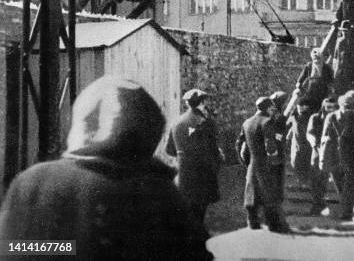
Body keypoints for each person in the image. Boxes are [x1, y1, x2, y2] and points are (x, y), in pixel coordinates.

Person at [0, 76, 212, 261]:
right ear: (149, 128)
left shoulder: (32, 182)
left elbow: (11, 249)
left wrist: (68, 248)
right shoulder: (161, 194)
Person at [166, 88, 222, 239]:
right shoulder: (206, 122)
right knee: (199, 211)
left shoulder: (176, 122)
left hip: (183, 175)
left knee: (186, 209)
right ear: (202, 102)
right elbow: (213, 152)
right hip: (201, 174)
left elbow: (170, 150)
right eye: (205, 102)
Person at [235, 97, 289, 233]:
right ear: (267, 108)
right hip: (267, 165)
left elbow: (241, 145)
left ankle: (252, 222)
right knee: (269, 194)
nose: (273, 110)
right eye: (271, 108)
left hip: (253, 163)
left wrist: (246, 162)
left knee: (253, 193)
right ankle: (274, 225)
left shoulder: (247, 122)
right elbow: (270, 145)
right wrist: (276, 162)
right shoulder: (268, 121)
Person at [320, 93, 354, 220]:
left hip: (350, 158)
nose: (348, 108)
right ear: (341, 105)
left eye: (351, 106)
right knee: (340, 187)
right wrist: (323, 159)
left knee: (350, 186)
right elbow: (325, 138)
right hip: (334, 157)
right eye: (346, 105)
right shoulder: (331, 117)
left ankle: (346, 212)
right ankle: (346, 211)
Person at [306, 96, 338, 215]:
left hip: (332, 152)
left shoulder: (336, 118)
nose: (330, 110)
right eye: (328, 107)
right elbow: (309, 133)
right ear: (323, 107)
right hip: (317, 151)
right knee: (316, 180)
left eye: (333, 108)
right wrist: (315, 144)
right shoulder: (315, 118)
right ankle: (317, 205)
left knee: (327, 180)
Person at [287, 97, 317, 199]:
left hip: (306, 146)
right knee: (297, 165)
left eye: (302, 106)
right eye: (299, 106)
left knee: (305, 166)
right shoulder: (295, 117)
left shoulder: (310, 118)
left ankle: (306, 187)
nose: (299, 108)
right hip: (296, 147)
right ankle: (301, 185)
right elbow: (291, 129)